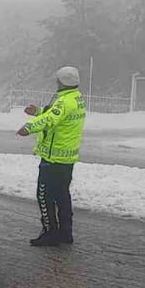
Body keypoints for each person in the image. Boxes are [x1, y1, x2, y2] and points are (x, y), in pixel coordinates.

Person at [17, 66, 86, 247]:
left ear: (61, 82)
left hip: (53, 158)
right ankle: (65, 232)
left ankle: (50, 232)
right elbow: (57, 116)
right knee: (62, 195)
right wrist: (39, 111)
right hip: (66, 159)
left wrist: (29, 127)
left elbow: (50, 120)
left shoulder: (64, 102)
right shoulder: (76, 99)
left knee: (44, 195)